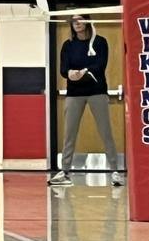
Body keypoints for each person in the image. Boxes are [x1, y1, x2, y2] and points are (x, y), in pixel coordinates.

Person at [49, 15, 120, 187]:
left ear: (88, 21)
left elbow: (100, 65)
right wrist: (71, 73)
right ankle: (65, 172)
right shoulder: (68, 45)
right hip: (74, 93)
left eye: (80, 19)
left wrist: (84, 71)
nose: (77, 23)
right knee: (69, 133)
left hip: (97, 92)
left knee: (106, 132)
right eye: (74, 21)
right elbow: (63, 69)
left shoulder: (100, 42)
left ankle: (115, 171)